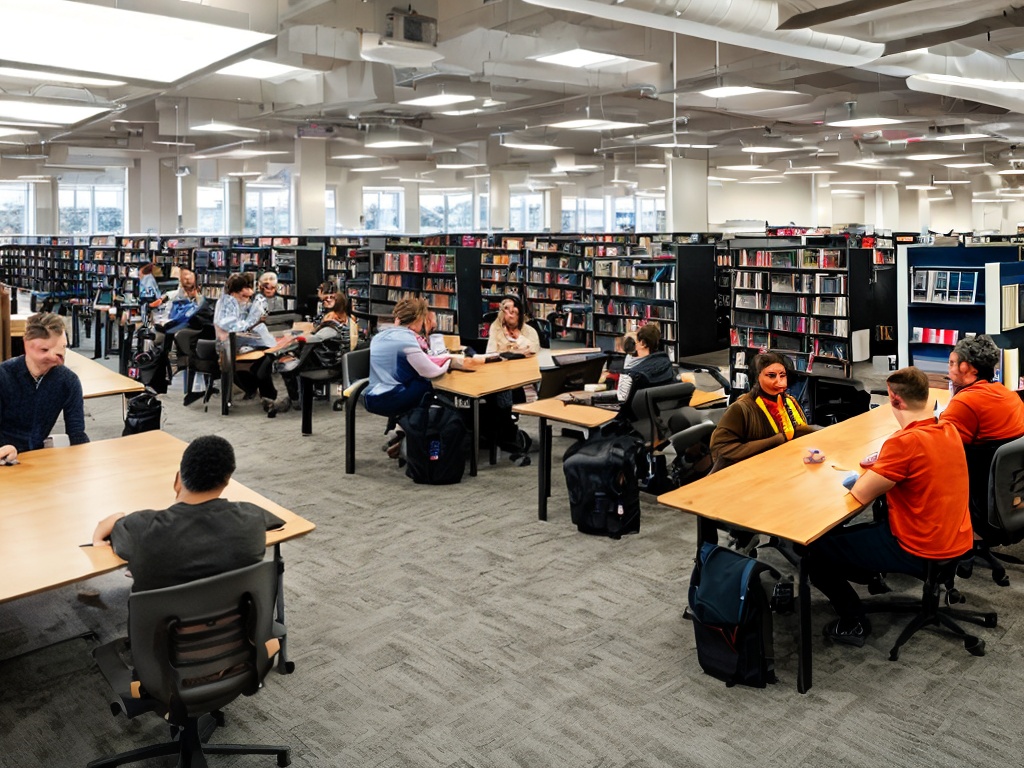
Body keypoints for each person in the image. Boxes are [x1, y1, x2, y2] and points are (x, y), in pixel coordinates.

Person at [804, 366, 973, 647]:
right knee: (868, 527)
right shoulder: (948, 429)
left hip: (920, 547)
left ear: (894, 400)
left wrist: (874, 467)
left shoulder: (904, 443)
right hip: (957, 537)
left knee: (814, 551)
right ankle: (870, 575)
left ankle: (853, 621)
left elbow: (860, 493)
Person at [91, 435, 283, 592]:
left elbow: (109, 524)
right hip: (236, 634)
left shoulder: (142, 528)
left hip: (165, 636)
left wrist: (99, 538)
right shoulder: (251, 517)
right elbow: (277, 521)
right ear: (227, 481)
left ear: (177, 480)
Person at [0, 312, 88, 463]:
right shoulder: (4, 375)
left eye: (62, 349)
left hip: (37, 460)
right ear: (27, 344)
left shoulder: (68, 381)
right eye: (45, 350)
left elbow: (77, 433)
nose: (56, 357)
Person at [709, 351, 815, 472]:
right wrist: (777, 440)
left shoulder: (788, 401)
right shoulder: (741, 408)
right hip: (747, 475)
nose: (779, 381)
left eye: (782, 375)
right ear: (757, 378)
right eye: (771, 376)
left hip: (782, 468)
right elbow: (720, 448)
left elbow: (796, 431)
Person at [365, 296, 455, 421]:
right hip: (388, 399)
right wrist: (448, 360)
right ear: (417, 320)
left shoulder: (381, 335)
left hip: (372, 395)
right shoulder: (406, 339)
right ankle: (417, 428)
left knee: (413, 378)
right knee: (428, 386)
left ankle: (401, 427)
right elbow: (431, 372)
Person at [274, 291, 360, 414]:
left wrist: (296, 338)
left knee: (285, 363)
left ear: (333, 314)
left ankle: (294, 400)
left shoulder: (332, 327)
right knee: (295, 354)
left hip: (327, 364)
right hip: (339, 361)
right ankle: (296, 395)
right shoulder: (350, 321)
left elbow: (316, 338)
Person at [214, 272, 283, 408]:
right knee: (263, 360)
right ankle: (266, 394)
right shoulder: (226, 304)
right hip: (230, 347)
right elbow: (233, 326)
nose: (246, 299)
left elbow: (245, 322)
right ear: (234, 292)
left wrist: (256, 317)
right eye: (243, 296)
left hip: (246, 343)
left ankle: (265, 394)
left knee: (266, 358)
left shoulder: (242, 302)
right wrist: (253, 321)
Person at [940, 334, 1024, 446]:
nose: (949, 369)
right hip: (1007, 463)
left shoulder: (964, 402)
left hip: (974, 462)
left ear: (967, 368)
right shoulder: (1010, 395)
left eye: (952, 363)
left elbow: (941, 444)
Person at [615, 323, 674, 403]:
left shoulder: (634, 374)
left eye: (635, 341)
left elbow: (622, 397)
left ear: (643, 343)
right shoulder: (665, 361)